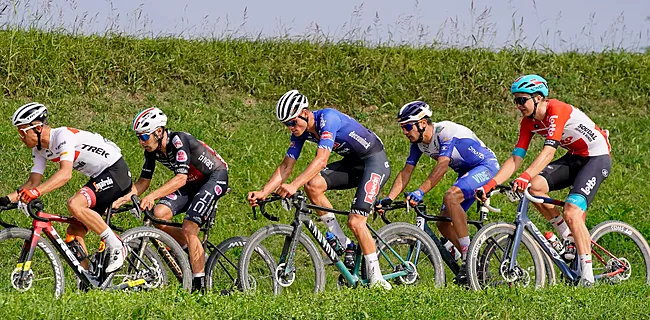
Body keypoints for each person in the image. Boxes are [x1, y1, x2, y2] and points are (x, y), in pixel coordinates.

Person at [247, 90, 392, 289]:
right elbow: (286, 165)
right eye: (286, 125)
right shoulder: (300, 131)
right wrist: (264, 191)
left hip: (374, 161)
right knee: (313, 186)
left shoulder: (328, 118)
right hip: (353, 164)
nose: (290, 128)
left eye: (292, 122)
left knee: (356, 221)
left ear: (305, 113)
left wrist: (293, 185)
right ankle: (343, 242)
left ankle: (377, 280)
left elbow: (322, 159)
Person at [476, 75, 611, 286]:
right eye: (516, 101)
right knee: (535, 188)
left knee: (572, 211)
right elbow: (514, 159)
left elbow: (549, 152)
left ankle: (588, 277)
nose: (518, 106)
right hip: (575, 157)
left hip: (596, 158)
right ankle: (567, 237)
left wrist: (524, 176)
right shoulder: (528, 123)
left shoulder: (557, 110)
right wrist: (489, 184)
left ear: (538, 97)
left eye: (522, 100)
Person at [376, 101, 500, 284]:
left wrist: (420, 191)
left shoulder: (446, 132)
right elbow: (406, 172)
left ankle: (467, 258)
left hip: (486, 167)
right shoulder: (418, 143)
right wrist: (389, 198)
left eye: (408, 126)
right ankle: (477, 265)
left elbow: (442, 166)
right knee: (443, 224)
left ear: (423, 123)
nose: (404, 132)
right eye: (402, 127)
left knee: (451, 196)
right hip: (466, 173)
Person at [1, 102, 132, 273]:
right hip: (100, 176)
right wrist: (5, 200)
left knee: (75, 204)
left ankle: (117, 246)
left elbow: (65, 174)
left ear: (37, 128)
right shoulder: (39, 149)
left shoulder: (63, 136)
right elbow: (33, 182)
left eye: (22, 131)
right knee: (73, 233)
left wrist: (36, 192)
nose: (20, 137)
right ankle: (88, 280)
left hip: (116, 172)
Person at [113, 107, 229, 293]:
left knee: (190, 227)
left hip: (213, 177)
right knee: (159, 214)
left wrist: (152, 196)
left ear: (159, 132)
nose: (141, 142)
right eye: (138, 138)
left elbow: (181, 178)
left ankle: (199, 287)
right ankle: (192, 253)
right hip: (192, 183)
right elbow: (143, 181)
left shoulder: (178, 140)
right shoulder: (152, 151)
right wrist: (122, 199)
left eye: (144, 137)